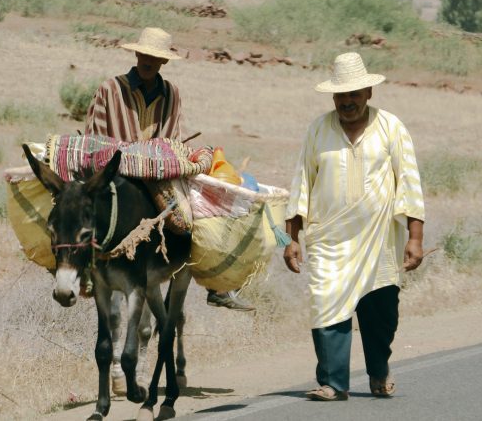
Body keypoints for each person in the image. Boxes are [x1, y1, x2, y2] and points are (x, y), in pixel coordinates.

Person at [283, 52, 425, 401]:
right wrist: (292, 238)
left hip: (380, 240)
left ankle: (379, 370)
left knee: (381, 313)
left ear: (368, 93)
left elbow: (409, 182)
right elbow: (302, 185)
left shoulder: (391, 126)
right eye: (341, 95)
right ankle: (332, 383)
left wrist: (415, 237)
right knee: (326, 302)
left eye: (354, 94)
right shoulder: (318, 129)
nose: (347, 102)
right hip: (329, 239)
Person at [84, 26, 254, 312]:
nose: (149, 61)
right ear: (137, 54)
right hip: (118, 174)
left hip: (160, 176)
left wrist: (172, 161)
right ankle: (84, 274)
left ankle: (216, 286)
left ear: (164, 61)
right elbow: (94, 139)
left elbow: (174, 139)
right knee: (82, 219)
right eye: (145, 55)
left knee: (193, 219)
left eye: (155, 57)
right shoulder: (109, 89)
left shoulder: (172, 93)